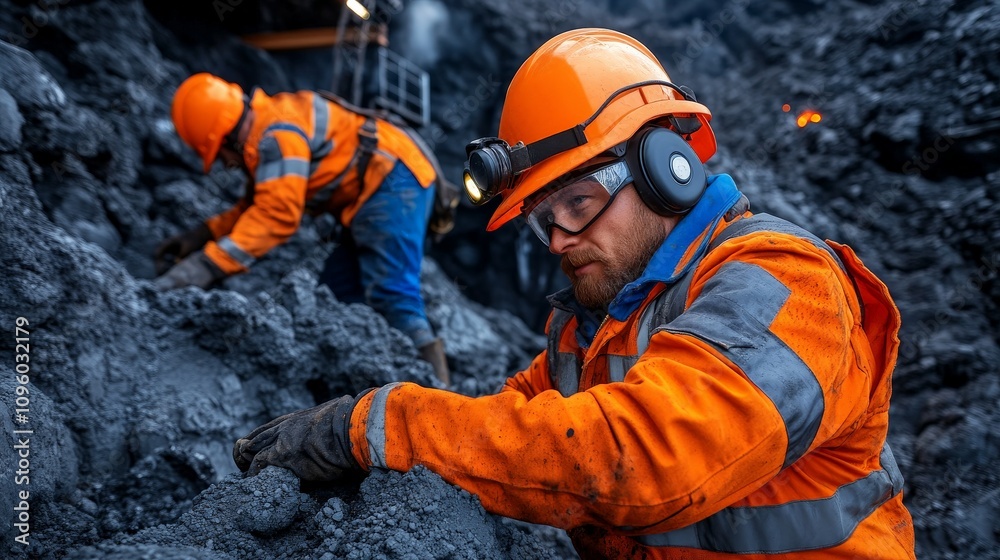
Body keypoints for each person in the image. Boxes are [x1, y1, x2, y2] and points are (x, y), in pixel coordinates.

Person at [232, 28, 916, 558]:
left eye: (578, 203)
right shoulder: (596, 324)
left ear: (666, 168)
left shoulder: (788, 282)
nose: (558, 240)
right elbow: (507, 426)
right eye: (543, 220)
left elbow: (643, 460)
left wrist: (380, 426)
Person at [155, 73, 450, 384]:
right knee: (336, 296)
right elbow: (258, 203)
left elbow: (278, 215)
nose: (227, 164)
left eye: (221, 157)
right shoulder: (268, 129)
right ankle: (364, 384)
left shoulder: (277, 137)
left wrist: (205, 267)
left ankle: (438, 391)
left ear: (225, 138)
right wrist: (202, 235)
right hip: (377, 185)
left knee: (392, 291)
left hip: (393, 178)